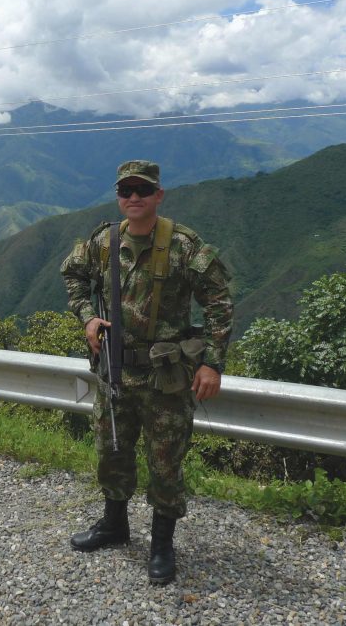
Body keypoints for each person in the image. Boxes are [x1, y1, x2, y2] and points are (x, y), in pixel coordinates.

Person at [59, 159, 233, 585]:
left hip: (164, 378)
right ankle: (114, 526)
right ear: (119, 196)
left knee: (166, 462)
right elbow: (73, 276)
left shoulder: (184, 246)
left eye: (142, 190)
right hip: (114, 371)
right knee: (112, 451)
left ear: (158, 194)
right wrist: (87, 318)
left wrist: (212, 362)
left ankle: (161, 546)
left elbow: (220, 300)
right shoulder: (103, 242)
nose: (133, 197)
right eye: (125, 191)